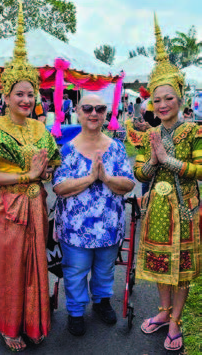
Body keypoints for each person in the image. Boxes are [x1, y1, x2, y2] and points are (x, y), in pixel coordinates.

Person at [0, 3, 60, 352]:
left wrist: (47, 171)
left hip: (37, 205)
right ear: (6, 95)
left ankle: (34, 321)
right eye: (20, 94)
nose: (26, 99)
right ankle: (9, 326)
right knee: (9, 268)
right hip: (7, 208)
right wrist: (26, 174)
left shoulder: (42, 130)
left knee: (34, 264)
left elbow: (52, 166)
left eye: (31, 94)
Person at [134, 15, 201, 352]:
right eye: (156, 100)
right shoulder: (149, 134)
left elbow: (201, 169)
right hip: (157, 207)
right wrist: (151, 161)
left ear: (180, 99)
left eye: (168, 98)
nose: (161, 105)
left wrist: (171, 161)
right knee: (161, 263)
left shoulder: (193, 131)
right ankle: (162, 312)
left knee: (183, 268)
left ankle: (176, 321)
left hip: (187, 209)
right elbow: (139, 175)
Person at [53, 94, 135, 336]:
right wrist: (90, 178)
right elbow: (59, 188)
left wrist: (106, 178)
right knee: (76, 271)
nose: (93, 113)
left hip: (109, 228)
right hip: (75, 231)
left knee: (104, 269)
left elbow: (129, 184)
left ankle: (101, 302)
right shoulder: (67, 149)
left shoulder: (117, 148)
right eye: (87, 108)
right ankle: (76, 312)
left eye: (99, 109)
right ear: (77, 111)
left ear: (105, 113)